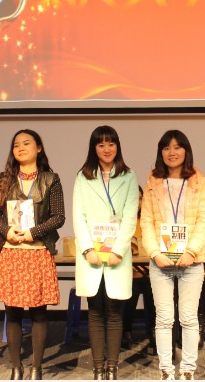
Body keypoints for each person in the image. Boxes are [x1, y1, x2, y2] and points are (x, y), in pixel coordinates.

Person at [0, 129, 65, 380]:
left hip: (37, 252)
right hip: (11, 253)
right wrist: (7, 231)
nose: (20, 148)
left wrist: (34, 232)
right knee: (12, 312)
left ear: (38, 148)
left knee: (39, 312)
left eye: (26, 143)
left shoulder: (51, 179)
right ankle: (16, 367)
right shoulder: (5, 179)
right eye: (16, 145)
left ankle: (36, 368)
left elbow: (58, 216)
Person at [140, 129, 205, 381]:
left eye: (177, 147)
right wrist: (154, 252)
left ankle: (188, 369)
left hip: (191, 262)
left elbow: (204, 220)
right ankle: (166, 370)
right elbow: (146, 221)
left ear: (186, 150)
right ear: (161, 152)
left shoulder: (200, 182)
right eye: (167, 147)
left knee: (189, 318)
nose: (172, 152)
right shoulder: (152, 181)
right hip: (160, 261)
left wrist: (191, 251)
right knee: (164, 319)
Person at [73, 125, 139, 380]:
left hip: (117, 255)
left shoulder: (129, 176)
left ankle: (112, 367)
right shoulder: (83, 177)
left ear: (117, 146)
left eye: (111, 144)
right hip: (91, 255)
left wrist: (119, 251)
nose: (107, 149)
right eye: (101, 144)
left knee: (114, 312)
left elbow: (130, 217)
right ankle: (98, 367)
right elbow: (79, 216)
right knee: (94, 312)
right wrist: (88, 248)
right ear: (94, 148)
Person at [121, 186, 157, 354]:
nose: (137, 203)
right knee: (132, 288)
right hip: (128, 272)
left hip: (150, 270)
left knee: (152, 289)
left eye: (140, 198)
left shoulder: (148, 221)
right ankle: (125, 332)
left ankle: (154, 333)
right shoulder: (120, 221)